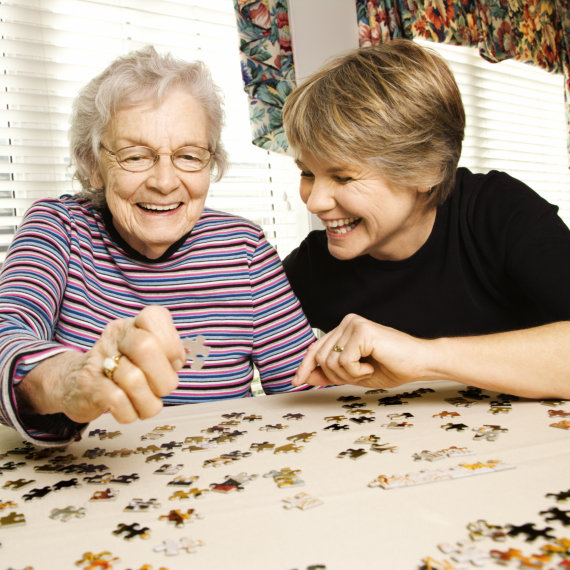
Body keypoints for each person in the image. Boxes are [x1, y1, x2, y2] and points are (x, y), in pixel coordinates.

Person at [0, 46, 314, 445]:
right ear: (93, 165)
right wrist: (69, 379)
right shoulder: (58, 228)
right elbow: (5, 334)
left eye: (188, 155)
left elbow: (306, 393)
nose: (165, 182)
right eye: (135, 156)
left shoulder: (245, 250)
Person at [281, 39, 570, 399]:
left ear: (426, 169)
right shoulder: (313, 265)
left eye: (342, 177)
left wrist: (423, 357)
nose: (315, 201)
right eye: (307, 173)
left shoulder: (499, 211)